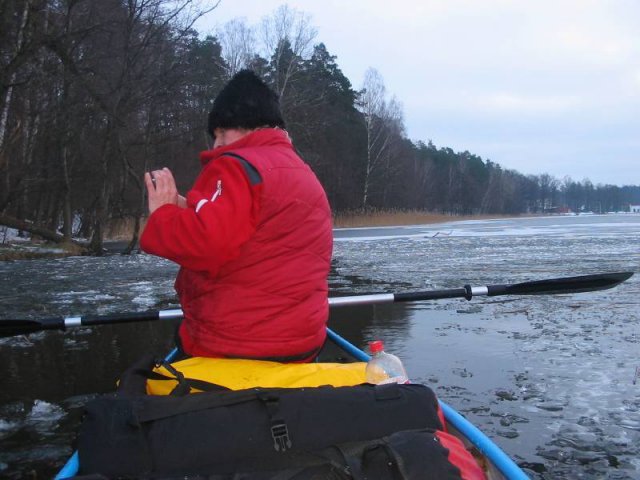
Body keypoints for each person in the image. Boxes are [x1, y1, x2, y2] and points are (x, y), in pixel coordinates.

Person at [140, 70, 333, 362]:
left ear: (246, 124)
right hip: (303, 342)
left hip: (237, 343)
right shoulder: (300, 170)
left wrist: (164, 212)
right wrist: (185, 210)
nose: (216, 145)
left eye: (220, 133)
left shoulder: (235, 166)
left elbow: (206, 245)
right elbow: (256, 238)